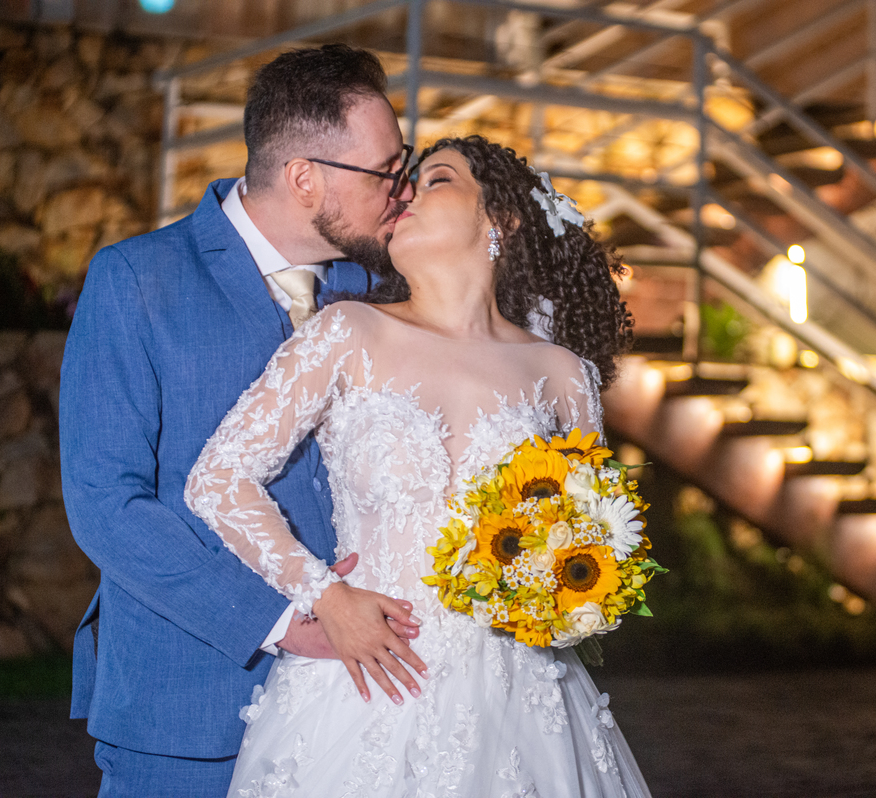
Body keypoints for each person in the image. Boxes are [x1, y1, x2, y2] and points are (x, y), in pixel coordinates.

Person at [184, 135, 651, 796]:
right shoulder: (347, 332)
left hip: (524, 698)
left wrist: (564, 593)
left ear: (501, 219)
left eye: (437, 180)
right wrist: (325, 597)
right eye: (407, 181)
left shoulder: (562, 375)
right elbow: (218, 479)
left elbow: (593, 539)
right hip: (368, 678)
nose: (406, 194)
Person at [60, 45, 429, 796]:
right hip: (188, 710)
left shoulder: (380, 289)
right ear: (304, 178)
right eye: (386, 170)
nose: (404, 190)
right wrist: (283, 621)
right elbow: (106, 507)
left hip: (354, 715)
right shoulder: (137, 279)